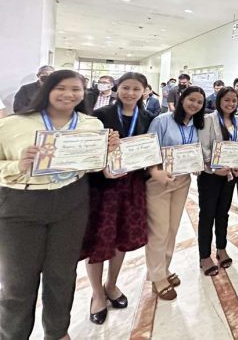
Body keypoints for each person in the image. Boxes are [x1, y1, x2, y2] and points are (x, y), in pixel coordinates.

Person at [0, 70, 117, 339]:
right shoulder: (14, 124)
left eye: (75, 89)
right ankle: (12, 334)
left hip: (71, 201)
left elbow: (95, 165)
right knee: (17, 283)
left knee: (62, 276)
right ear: (46, 89)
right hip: (21, 204)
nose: (68, 94)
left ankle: (57, 332)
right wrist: (17, 165)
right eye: (61, 88)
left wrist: (108, 152)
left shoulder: (91, 125)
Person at [81, 72, 153, 325]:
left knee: (121, 238)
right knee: (99, 240)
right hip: (103, 187)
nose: (130, 93)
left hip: (132, 186)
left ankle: (112, 285)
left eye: (136, 89)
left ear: (144, 91)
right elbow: (89, 150)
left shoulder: (147, 118)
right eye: (125, 88)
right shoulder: (100, 116)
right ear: (116, 88)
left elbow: (150, 152)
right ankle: (97, 294)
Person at [146, 86, 206, 301]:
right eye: (191, 100)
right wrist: (155, 171)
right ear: (182, 99)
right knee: (159, 231)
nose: (195, 105)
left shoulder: (198, 125)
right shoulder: (162, 121)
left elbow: (199, 150)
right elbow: (149, 149)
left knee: (172, 228)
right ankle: (156, 277)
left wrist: (198, 164)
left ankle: (164, 268)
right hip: (159, 182)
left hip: (182, 181)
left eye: (199, 102)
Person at [198, 87, 238, 277]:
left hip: (230, 174)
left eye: (234, 101)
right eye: (227, 100)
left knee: (223, 213)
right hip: (210, 175)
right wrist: (214, 168)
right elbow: (203, 147)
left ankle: (221, 248)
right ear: (218, 101)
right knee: (207, 214)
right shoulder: (208, 119)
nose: (231, 104)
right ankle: (204, 255)